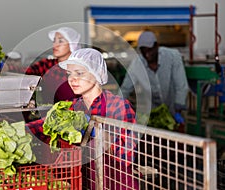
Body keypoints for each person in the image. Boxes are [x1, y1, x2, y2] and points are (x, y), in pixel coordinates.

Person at [26, 48, 139, 189]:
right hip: (88, 182)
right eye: (69, 74)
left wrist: (97, 133)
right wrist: (15, 132)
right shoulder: (72, 106)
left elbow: (126, 155)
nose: (72, 79)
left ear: (96, 74)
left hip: (117, 184)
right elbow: (43, 126)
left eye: (79, 73)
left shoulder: (118, 106)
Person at [121, 30, 189, 125]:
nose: (147, 53)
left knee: (177, 134)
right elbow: (125, 89)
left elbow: (181, 85)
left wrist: (179, 106)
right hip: (154, 111)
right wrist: (118, 107)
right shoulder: (137, 64)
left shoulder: (173, 57)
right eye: (143, 50)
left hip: (176, 107)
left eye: (150, 49)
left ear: (156, 46)